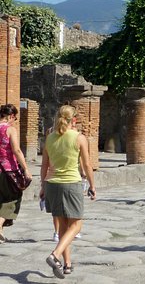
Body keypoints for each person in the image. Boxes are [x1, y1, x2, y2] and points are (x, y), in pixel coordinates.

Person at [41, 105, 96, 278]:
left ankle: (67, 264)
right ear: (74, 120)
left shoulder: (50, 137)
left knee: (64, 226)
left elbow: (44, 165)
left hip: (51, 184)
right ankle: (55, 254)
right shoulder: (79, 138)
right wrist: (92, 186)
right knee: (76, 225)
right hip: (70, 184)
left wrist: (42, 186)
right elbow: (86, 165)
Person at [0, 104, 32, 243]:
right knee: (13, 199)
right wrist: (25, 169)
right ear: (11, 116)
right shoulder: (10, 129)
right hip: (8, 170)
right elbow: (16, 150)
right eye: (15, 118)